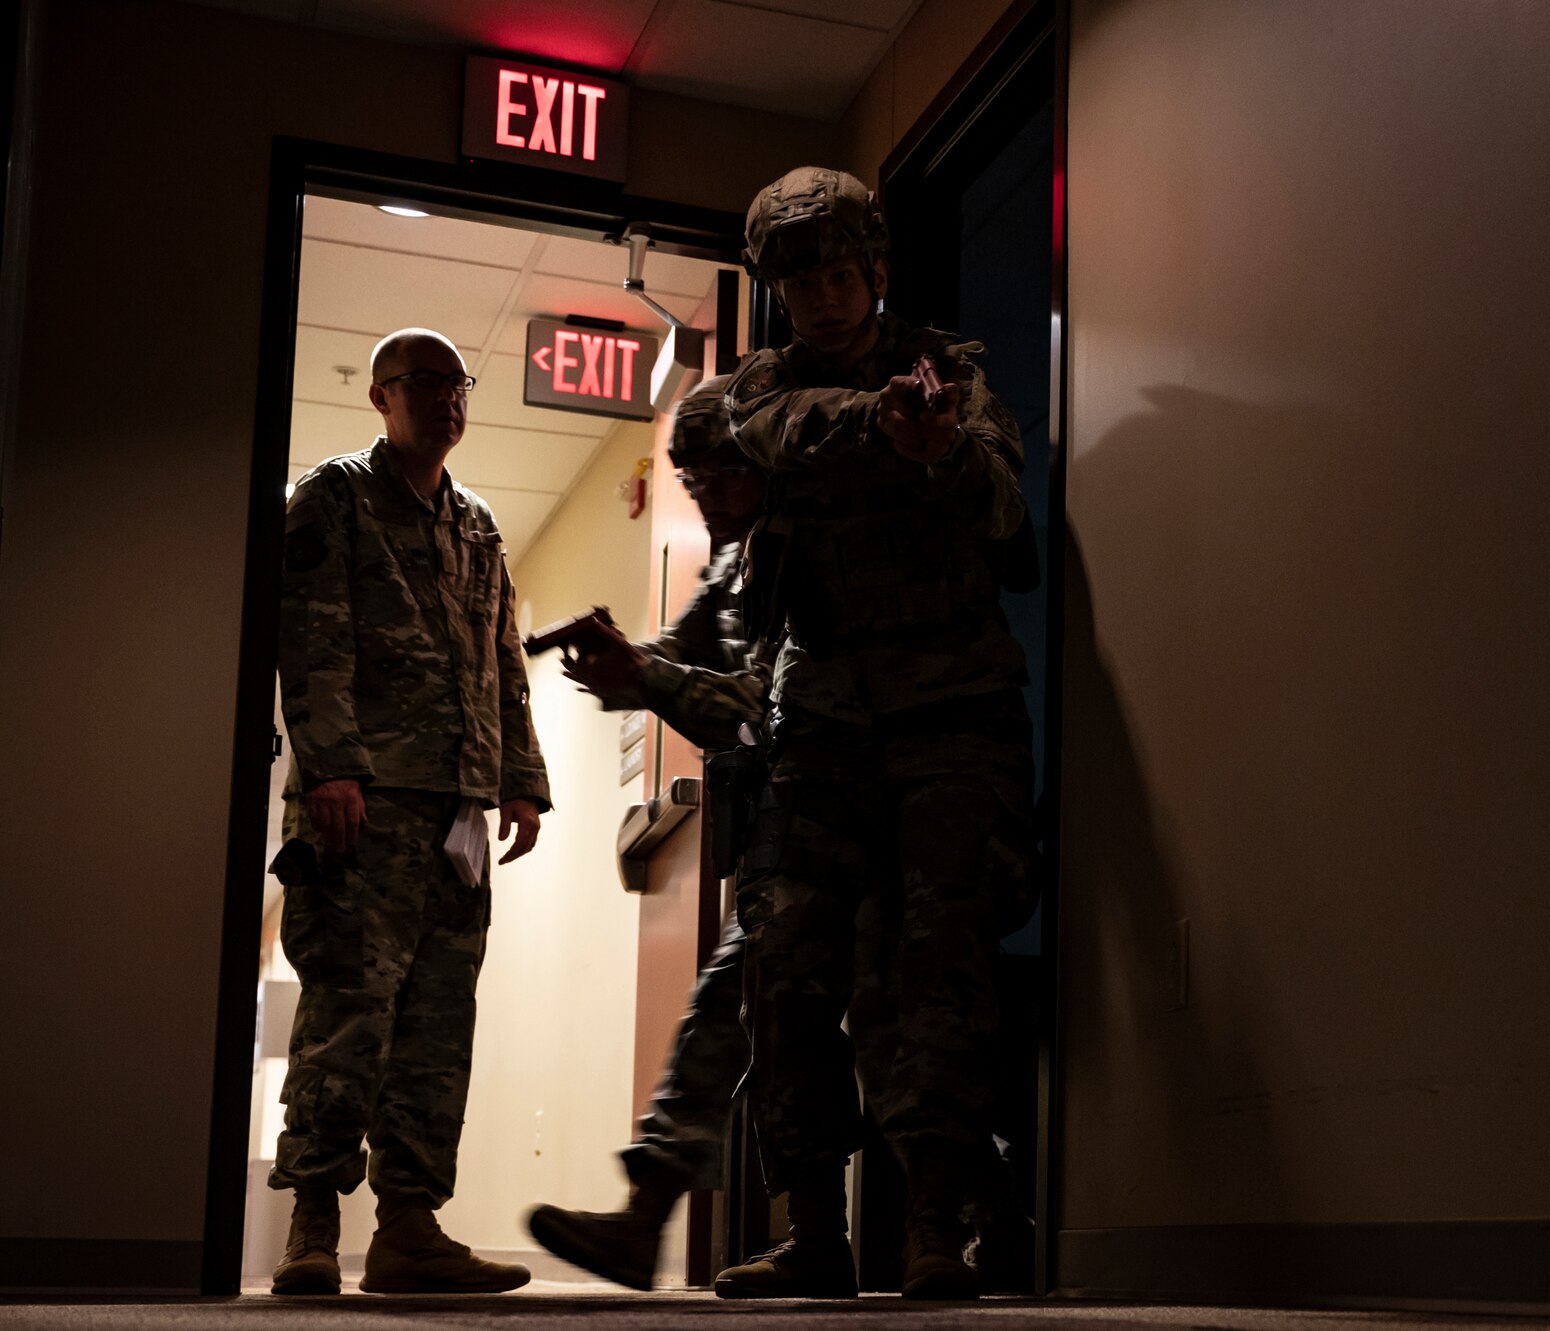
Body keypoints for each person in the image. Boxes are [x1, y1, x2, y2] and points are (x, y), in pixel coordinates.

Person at [712, 166, 1039, 1301]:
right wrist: (882, 426)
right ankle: (813, 1228)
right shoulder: (760, 385)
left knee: (934, 971)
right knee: (785, 960)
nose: (821, 298)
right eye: (798, 282)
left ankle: (936, 1225)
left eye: (839, 274)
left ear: (876, 272)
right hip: (823, 729)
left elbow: (1004, 504)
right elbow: (771, 432)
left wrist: (939, 448)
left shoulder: (953, 377)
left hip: (953, 724)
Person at [267, 328, 550, 1296]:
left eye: (457, 382)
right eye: (424, 382)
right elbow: (310, 635)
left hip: (455, 820)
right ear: (382, 396)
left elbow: (502, 659)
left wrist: (521, 778)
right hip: (364, 808)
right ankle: (312, 1219)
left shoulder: (477, 526)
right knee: (349, 1017)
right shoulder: (335, 495)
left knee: (437, 1029)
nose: (448, 397)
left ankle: (410, 1227)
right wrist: (334, 765)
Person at [520, 377, 768, 1291]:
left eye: (717, 467)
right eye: (687, 472)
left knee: (905, 1036)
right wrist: (625, 652)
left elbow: (777, 706)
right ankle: (648, 1219)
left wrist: (651, 680)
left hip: (864, 818)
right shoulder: (734, 558)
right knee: (741, 1016)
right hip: (789, 830)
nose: (701, 487)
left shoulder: (803, 552)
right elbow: (678, 654)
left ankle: (979, 1217)